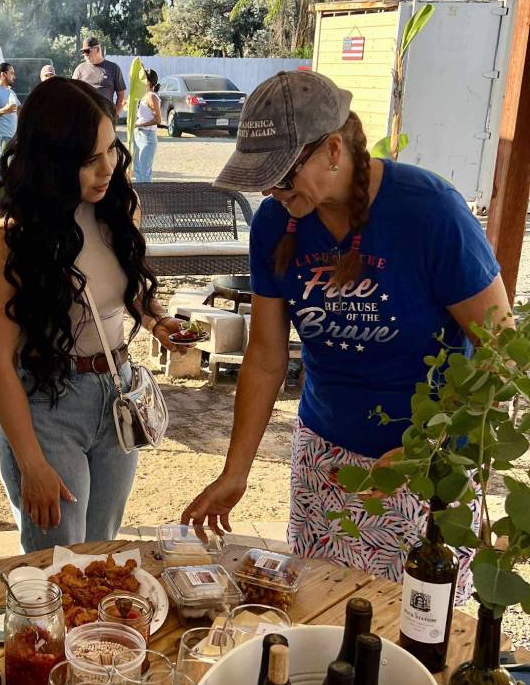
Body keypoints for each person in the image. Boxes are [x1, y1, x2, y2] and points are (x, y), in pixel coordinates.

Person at [182, 70, 508, 587]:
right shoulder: (275, 221)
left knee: (409, 627)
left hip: (424, 464)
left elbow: (501, 350)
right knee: (317, 604)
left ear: (333, 150)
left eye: (282, 173)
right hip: (324, 456)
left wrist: (427, 443)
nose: (271, 188)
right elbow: (266, 356)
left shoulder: (429, 212)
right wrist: (236, 470)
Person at [0, 78, 185, 551]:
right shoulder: (8, 242)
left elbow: (123, 287)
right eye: (88, 160)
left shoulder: (119, 209)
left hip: (116, 393)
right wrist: (30, 463)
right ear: (50, 161)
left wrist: (155, 319)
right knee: (58, 560)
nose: (107, 167)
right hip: (46, 405)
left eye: (111, 149)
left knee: (101, 548)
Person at [72, 38, 126, 125]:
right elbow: (72, 95)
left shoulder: (113, 68)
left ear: (97, 49)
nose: (85, 55)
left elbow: (122, 97)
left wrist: (114, 116)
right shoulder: (79, 69)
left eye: (88, 51)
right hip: (84, 120)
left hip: (105, 119)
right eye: (83, 52)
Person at [133, 68, 162, 183]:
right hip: (139, 135)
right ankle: (140, 197)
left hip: (147, 136)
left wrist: (141, 124)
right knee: (138, 170)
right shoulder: (143, 95)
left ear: (148, 82)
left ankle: (147, 198)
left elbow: (158, 119)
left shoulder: (151, 96)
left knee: (144, 172)